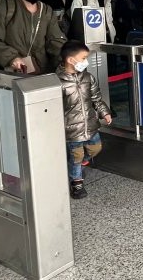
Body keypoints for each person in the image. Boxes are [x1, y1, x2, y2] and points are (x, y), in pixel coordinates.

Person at [57, 40, 112, 199]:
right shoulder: (58, 82)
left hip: (90, 123)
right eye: (83, 58)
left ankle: (75, 168)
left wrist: (104, 112)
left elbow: (96, 98)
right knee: (76, 155)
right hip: (71, 128)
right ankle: (77, 183)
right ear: (70, 60)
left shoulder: (88, 77)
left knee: (95, 148)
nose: (85, 61)